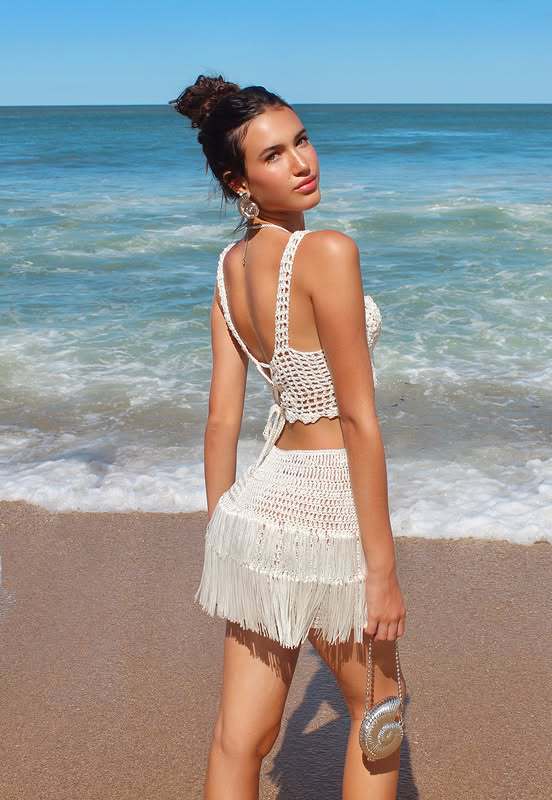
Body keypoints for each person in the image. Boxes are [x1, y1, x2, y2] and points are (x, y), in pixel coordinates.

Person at [170, 74, 408, 800]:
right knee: (380, 710)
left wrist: (224, 532)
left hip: (259, 509)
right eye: (273, 155)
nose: (302, 162)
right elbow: (359, 420)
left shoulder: (228, 270)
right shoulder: (326, 252)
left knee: (238, 740)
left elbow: (221, 419)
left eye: (301, 140)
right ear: (238, 181)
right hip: (330, 509)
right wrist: (382, 570)